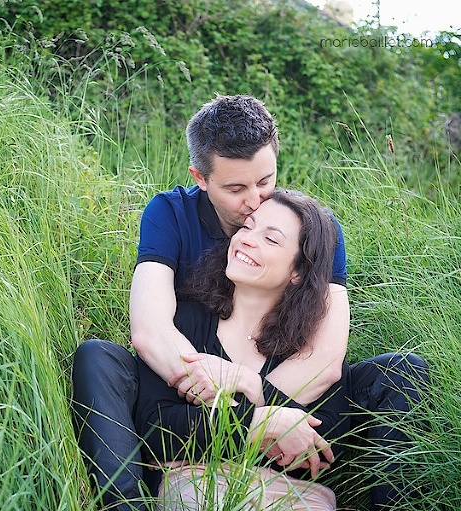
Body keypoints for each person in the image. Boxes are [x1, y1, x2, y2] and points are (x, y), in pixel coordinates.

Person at [71, 94, 428, 511]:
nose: (257, 202)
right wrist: (245, 414)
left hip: (284, 374)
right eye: (237, 188)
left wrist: (253, 392)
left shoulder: (313, 226)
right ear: (200, 178)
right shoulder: (171, 214)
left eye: (265, 181)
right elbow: (151, 330)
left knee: (403, 372)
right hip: (193, 366)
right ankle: (124, 503)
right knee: (99, 358)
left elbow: (326, 356)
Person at [135, 189, 351, 510]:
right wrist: (262, 424)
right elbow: (155, 430)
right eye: (248, 227)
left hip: (289, 496)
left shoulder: (312, 347)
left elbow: (320, 451)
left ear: (298, 271)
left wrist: (247, 385)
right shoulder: (187, 320)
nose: (247, 239)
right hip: (199, 488)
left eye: (271, 239)